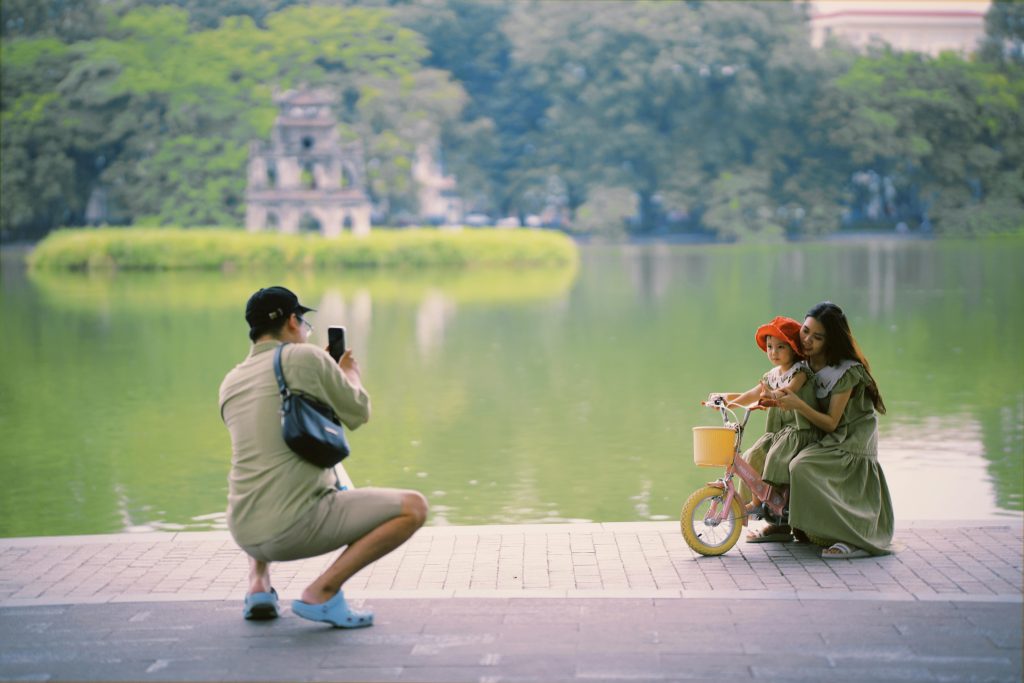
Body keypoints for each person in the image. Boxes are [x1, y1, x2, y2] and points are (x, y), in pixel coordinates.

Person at [219, 286, 428, 626]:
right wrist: (348, 373)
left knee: (259, 462)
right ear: (292, 321)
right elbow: (358, 412)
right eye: (303, 324)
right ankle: (322, 591)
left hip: (243, 528)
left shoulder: (231, 381)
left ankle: (258, 584)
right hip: (292, 531)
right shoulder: (306, 357)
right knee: (414, 507)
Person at [776, 301, 894, 559]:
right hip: (824, 435)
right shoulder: (803, 365)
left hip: (849, 441)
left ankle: (853, 538)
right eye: (805, 330)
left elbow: (831, 422)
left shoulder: (846, 371)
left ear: (831, 341)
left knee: (802, 466)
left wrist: (797, 404)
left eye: (817, 337)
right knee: (776, 452)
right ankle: (783, 524)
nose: (807, 340)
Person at [709, 316, 818, 543]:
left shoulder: (800, 372)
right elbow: (752, 393)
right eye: (770, 347)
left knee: (776, 459)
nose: (773, 352)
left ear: (793, 348)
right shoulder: (771, 375)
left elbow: (789, 390)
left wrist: (773, 396)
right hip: (778, 434)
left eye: (780, 347)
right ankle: (755, 502)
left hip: (798, 432)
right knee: (752, 456)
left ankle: (759, 505)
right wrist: (728, 402)